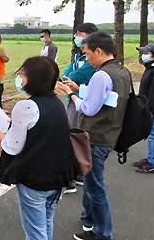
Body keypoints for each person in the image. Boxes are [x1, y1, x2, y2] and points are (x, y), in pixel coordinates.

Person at [0, 56, 76, 240]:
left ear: (34, 78)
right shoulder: (56, 103)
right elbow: (38, 130)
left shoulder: (26, 106)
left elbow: (12, 147)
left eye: (22, 73)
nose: (19, 76)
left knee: (35, 233)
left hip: (36, 179)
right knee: (46, 222)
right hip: (58, 176)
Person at [56, 31, 131, 240]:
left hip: (96, 137)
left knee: (95, 187)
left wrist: (70, 94)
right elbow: (106, 99)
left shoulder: (101, 75)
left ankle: (103, 233)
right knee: (91, 182)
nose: (86, 58)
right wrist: (79, 88)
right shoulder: (121, 70)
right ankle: (88, 219)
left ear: (99, 51)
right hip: (110, 134)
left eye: (88, 54)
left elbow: (88, 109)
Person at [61, 22, 99, 193]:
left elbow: (77, 75)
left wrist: (69, 79)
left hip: (83, 100)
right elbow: (67, 73)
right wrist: (66, 78)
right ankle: (78, 173)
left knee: (75, 136)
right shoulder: (78, 55)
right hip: (73, 97)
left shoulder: (92, 57)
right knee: (74, 134)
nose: (77, 37)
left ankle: (72, 176)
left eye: (80, 34)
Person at [133, 43, 154, 173]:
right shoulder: (151, 68)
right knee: (152, 135)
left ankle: (153, 162)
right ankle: (150, 158)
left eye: (146, 53)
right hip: (149, 108)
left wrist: (149, 111)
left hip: (153, 109)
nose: (143, 55)